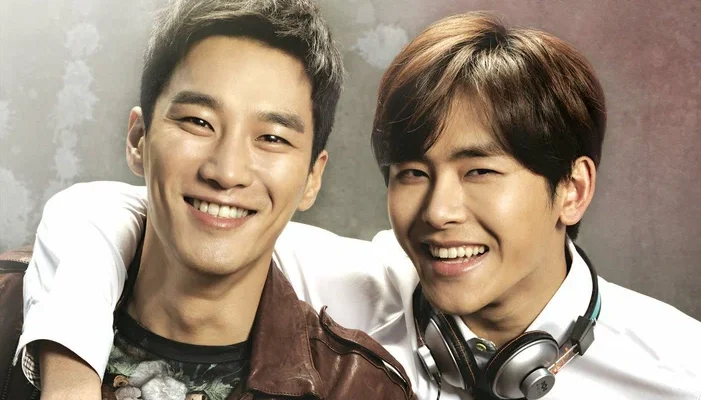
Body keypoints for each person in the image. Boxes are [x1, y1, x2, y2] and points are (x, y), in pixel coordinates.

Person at [8, 11, 701, 400]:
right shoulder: (366, 289)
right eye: (412, 173)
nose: (439, 213)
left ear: (571, 190)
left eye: (480, 171)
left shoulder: (679, 367)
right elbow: (115, 210)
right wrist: (69, 371)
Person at [0, 0, 416, 399]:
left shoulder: (361, 388)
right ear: (138, 138)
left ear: (312, 178)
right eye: (198, 122)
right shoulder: (9, 308)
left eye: (272, 138)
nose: (227, 171)